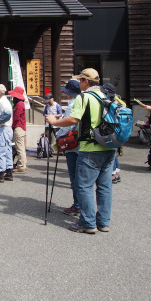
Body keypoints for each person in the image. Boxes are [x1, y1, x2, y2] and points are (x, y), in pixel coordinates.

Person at [46, 68, 116, 234]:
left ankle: (87, 222)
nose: (79, 83)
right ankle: (103, 222)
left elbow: (73, 119)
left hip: (90, 147)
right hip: (109, 146)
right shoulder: (109, 96)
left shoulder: (84, 97)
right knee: (104, 186)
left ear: (85, 81)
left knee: (83, 186)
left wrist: (54, 122)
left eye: (80, 80)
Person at [55, 79, 82, 216]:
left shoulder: (73, 105)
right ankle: (80, 205)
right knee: (82, 177)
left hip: (73, 145)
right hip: (83, 144)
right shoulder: (85, 101)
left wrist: (57, 134)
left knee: (75, 176)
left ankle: (77, 205)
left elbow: (68, 126)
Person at [102, 83, 125, 184]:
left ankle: (112, 174)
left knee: (112, 153)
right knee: (114, 152)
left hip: (111, 130)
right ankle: (116, 173)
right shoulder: (118, 102)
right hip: (118, 130)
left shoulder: (109, 103)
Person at [8, 86, 27, 173]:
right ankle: (22, 164)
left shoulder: (19, 104)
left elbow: (16, 117)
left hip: (18, 127)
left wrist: (11, 126)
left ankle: (21, 165)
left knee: (19, 148)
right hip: (22, 127)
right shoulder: (21, 103)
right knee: (21, 147)